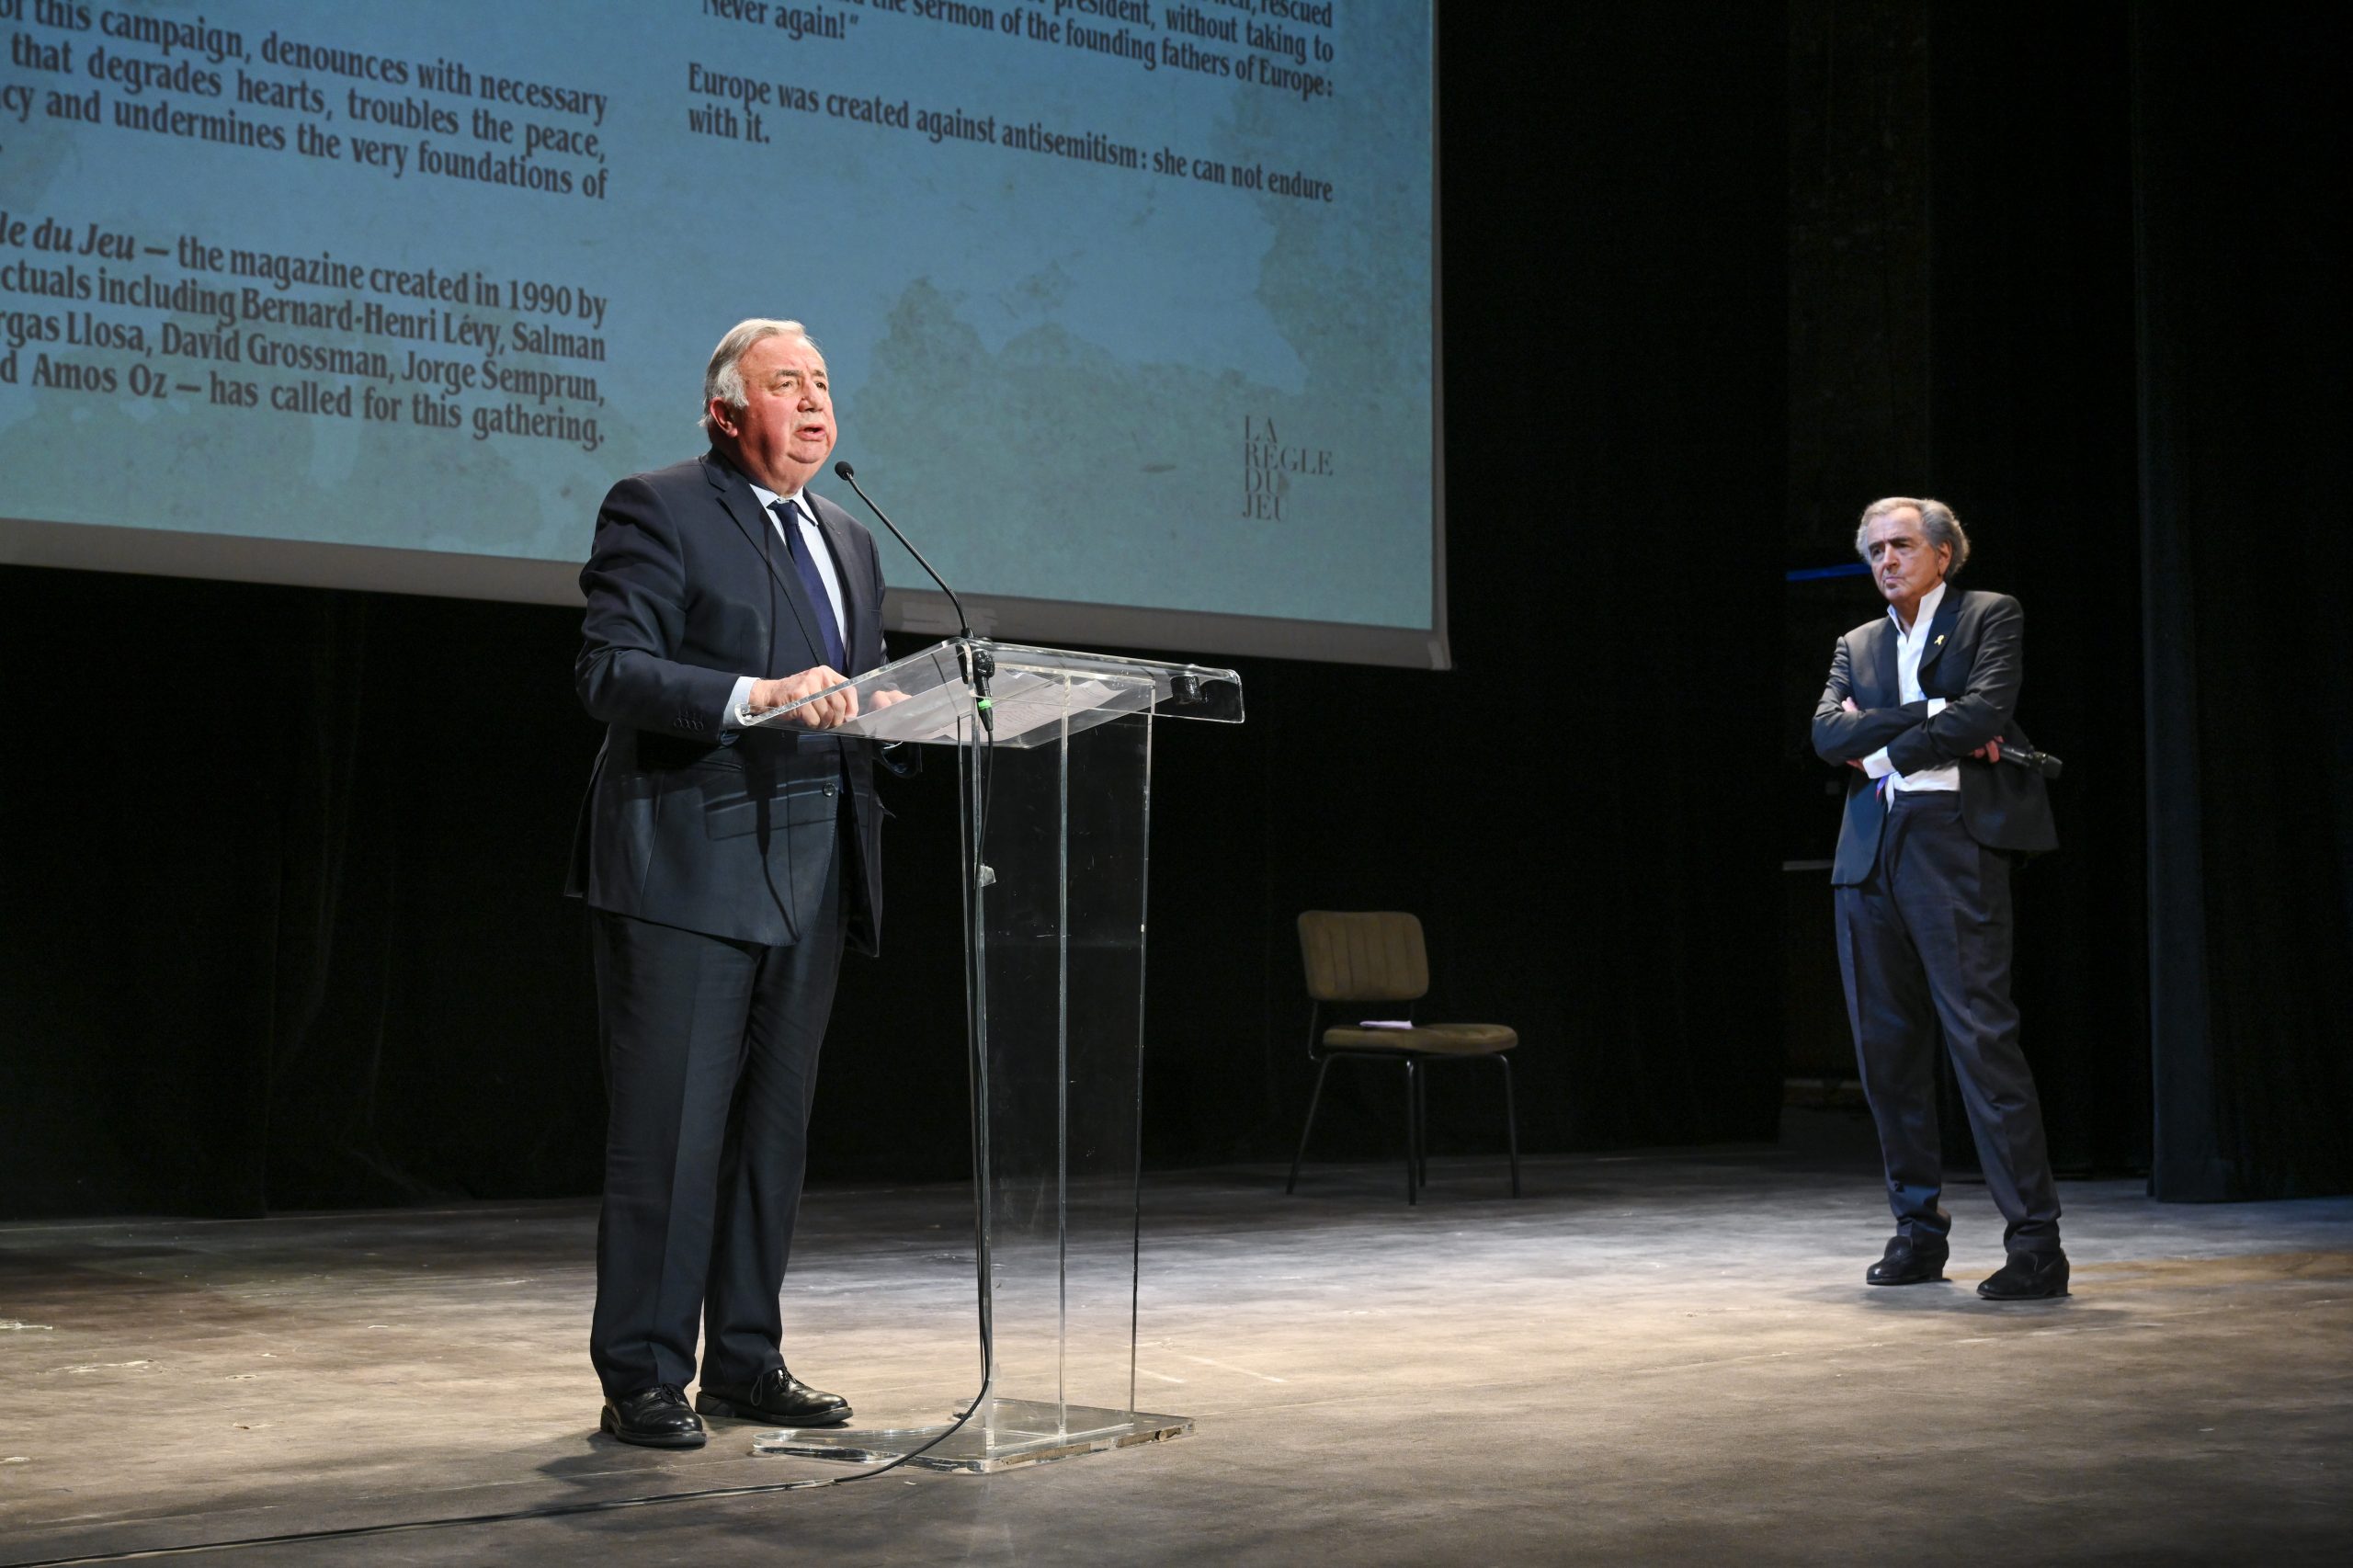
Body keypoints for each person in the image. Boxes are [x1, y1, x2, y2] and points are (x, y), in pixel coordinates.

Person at [567, 318, 889, 1446]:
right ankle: (644, 1371)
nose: (811, 402)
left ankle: (746, 1358)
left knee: (770, 1137)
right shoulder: (657, 506)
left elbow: (852, 689)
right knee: (669, 1133)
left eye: (822, 380)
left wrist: (891, 706)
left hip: (811, 868)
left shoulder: (848, 536)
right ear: (724, 411)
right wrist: (755, 695)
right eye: (784, 383)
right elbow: (610, 670)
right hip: (686, 872)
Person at [1810, 496, 2069, 1301]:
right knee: (1886, 1056)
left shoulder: (1991, 614)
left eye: (1902, 545)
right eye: (1876, 550)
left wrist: (1881, 747)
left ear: (1943, 554)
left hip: (1952, 841)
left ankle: (2035, 1243)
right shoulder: (1856, 643)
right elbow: (1824, 736)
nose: (1887, 560)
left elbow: (1988, 712)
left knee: (1981, 1043)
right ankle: (1917, 1233)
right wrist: (1930, 716)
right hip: (1869, 854)